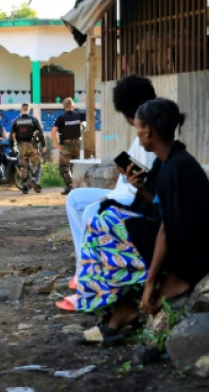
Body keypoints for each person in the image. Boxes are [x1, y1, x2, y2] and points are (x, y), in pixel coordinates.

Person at [69, 98, 209, 339]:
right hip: (182, 241)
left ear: (148, 130)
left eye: (138, 127)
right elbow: (162, 206)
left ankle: (126, 304)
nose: (138, 134)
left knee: (103, 224)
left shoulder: (177, 167)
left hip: (191, 257)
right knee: (103, 218)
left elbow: (168, 228)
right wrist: (140, 187)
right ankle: (120, 308)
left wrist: (152, 282)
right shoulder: (170, 161)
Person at [61, 75, 157, 299]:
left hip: (135, 197)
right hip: (122, 191)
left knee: (92, 210)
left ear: (127, 115)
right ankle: (83, 267)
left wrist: (126, 179)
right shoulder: (141, 131)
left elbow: (146, 182)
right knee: (75, 198)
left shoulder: (151, 132)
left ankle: (95, 279)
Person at [51, 97, 84, 195]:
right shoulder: (79, 115)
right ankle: (78, 187)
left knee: (64, 167)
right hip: (77, 144)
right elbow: (91, 116)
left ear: (64, 106)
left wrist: (56, 145)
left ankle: (70, 186)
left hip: (66, 145)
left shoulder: (61, 118)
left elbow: (53, 132)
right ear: (73, 105)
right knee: (76, 166)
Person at [10, 103, 45, 193]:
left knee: (23, 166)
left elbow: (12, 135)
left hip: (21, 146)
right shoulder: (33, 120)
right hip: (32, 145)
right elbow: (40, 133)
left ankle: (25, 187)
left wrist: (12, 147)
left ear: (21, 110)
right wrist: (43, 145)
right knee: (38, 163)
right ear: (29, 110)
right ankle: (34, 179)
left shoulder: (16, 121)